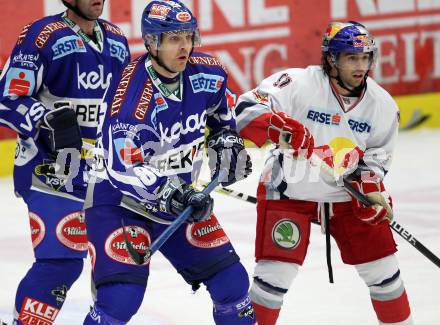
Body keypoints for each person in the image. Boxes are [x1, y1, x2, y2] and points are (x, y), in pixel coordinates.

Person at [82, 1, 255, 324]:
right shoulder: (131, 94)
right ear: (151, 42)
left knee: (232, 283)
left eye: (188, 36)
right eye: (174, 38)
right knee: (120, 299)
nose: (185, 46)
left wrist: (226, 143)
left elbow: (222, 114)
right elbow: (124, 167)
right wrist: (173, 192)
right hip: (118, 201)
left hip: (177, 200)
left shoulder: (208, 72)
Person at [235, 21, 413, 324]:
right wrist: (279, 126)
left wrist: (369, 187)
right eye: (351, 58)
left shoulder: (382, 105)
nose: (361, 66)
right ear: (331, 59)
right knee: (273, 279)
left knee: (384, 273)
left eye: (365, 58)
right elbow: (247, 107)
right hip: (289, 190)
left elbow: (376, 158)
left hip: (347, 197)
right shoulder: (298, 83)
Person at [0, 0, 130, 323]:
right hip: (49, 170)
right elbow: (7, 97)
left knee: (114, 267)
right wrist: (46, 119)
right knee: (62, 261)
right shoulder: (42, 36)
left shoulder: (117, 40)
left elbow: (121, 110)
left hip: (98, 174)